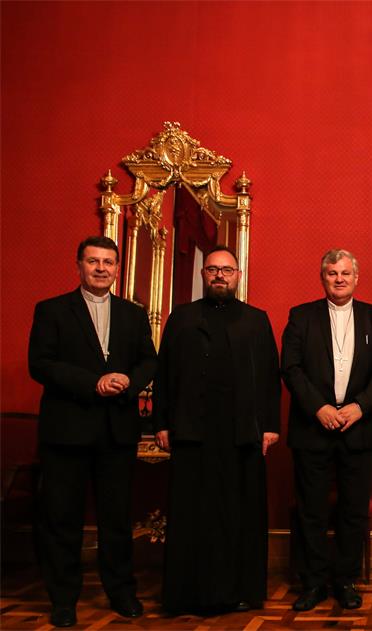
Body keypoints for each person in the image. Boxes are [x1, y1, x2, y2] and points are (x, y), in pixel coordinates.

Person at [28, 236, 157, 628]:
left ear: (117, 268)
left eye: (108, 262)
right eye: (93, 261)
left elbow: (149, 361)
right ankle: (63, 599)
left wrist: (128, 381)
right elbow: (40, 364)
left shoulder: (133, 314)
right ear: (79, 265)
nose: (101, 268)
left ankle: (121, 592)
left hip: (117, 432)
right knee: (62, 520)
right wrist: (93, 383)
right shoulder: (51, 310)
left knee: (116, 520)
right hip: (66, 432)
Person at [152, 245, 281, 614]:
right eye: (213, 269)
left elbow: (270, 377)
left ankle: (238, 591)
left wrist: (270, 426)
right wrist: (161, 422)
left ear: (238, 276)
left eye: (227, 270)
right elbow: (164, 374)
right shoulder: (181, 318)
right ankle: (186, 594)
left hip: (241, 434)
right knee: (191, 514)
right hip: (191, 432)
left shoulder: (256, 319)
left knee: (238, 515)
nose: (220, 275)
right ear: (203, 275)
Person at [281, 249, 372, 612]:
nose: (339, 279)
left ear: (356, 278)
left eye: (345, 273)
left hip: (359, 427)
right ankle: (313, 583)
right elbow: (291, 368)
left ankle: (345, 580)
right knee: (311, 510)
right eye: (332, 273)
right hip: (312, 427)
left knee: (353, 510)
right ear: (323, 278)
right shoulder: (301, 316)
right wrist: (320, 407)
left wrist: (360, 406)